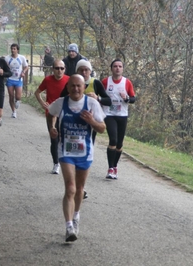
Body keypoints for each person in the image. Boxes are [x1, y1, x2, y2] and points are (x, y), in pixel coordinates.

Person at [47, 74, 106, 242]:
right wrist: (52, 127)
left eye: (79, 86)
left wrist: (92, 121)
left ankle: (76, 216)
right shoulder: (61, 103)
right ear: (67, 87)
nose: (75, 89)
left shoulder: (92, 104)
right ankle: (68, 227)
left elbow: (102, 128)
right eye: (72, 85)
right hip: (66, 152)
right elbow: (51, 113)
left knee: (80, 189)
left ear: (83, 87)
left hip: (85, 153)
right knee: (70, 188)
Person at [101, 59, 136, 179]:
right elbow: (99, 96)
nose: (117, 68)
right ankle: (110, 168)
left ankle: (115, 166)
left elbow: (133, 98)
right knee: (113, 140)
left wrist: (126, 98)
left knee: (120, 144)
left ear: (122, 69)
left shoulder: (127, 82)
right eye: (115, 66)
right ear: (111, 68)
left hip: (122, 115)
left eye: (120, 66)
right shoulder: (106, 81)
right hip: (109, 114)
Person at [34, 60, 69, 174]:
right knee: (54, 139)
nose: (59, 71)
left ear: (65, 69)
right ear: (53, 69)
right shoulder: (48, 80)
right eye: (57, 68)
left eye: (62, 68)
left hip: (65, 114)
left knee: (64, 140)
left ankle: (66, 162)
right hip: (51, 113)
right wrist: (43, 103)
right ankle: (56, 163)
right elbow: (37, 92)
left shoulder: (69, 80)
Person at [4, 43, 28, 118]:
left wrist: (23, 72)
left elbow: (26, 66)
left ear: (17, 50)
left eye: (14, 49)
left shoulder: (21, 58)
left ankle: (18, 101)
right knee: (11, 96)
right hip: (10, 79)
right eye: (12, 48)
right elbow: (4, 67)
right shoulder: (7, 58)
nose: (13, 50)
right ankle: (13, 111)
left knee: (18, 96)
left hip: (18, 79)